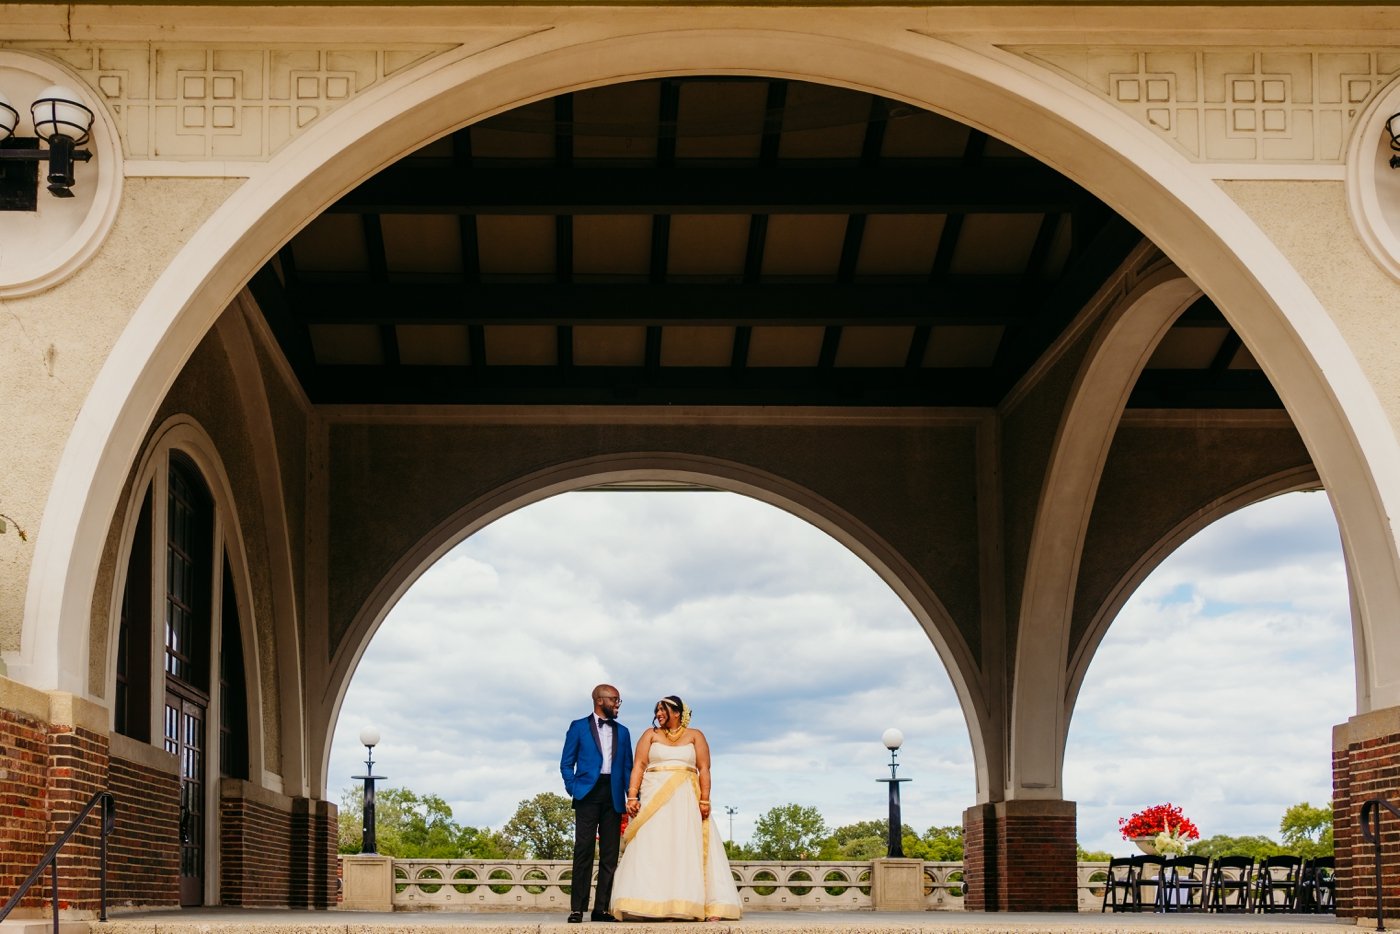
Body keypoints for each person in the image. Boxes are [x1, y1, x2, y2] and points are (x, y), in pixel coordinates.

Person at [610, 695, 743, 921]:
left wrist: (705, 800)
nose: (659, 714)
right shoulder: (650, 735)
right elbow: (639, 765)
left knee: (685, 846)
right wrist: (632, 796)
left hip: (686, 799)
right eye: (657, 710)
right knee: (653, 846)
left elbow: (704, 768)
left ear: (678, 712)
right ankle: (649, 903)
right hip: (653, 796)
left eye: (663, 710)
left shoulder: (696, 736)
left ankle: (698, 904)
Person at [561, 684, 633, 923]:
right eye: (615, 700)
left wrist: (632, 797)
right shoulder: (578, 727)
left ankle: (601, 909)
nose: (618, 704)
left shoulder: (623, 732)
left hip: (613, 794)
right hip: (586, 795)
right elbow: (566, 763)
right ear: (600, 701)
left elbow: (627, 768)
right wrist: (574, 788)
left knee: (610, 855)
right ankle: (577, 909)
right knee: (583, 851)